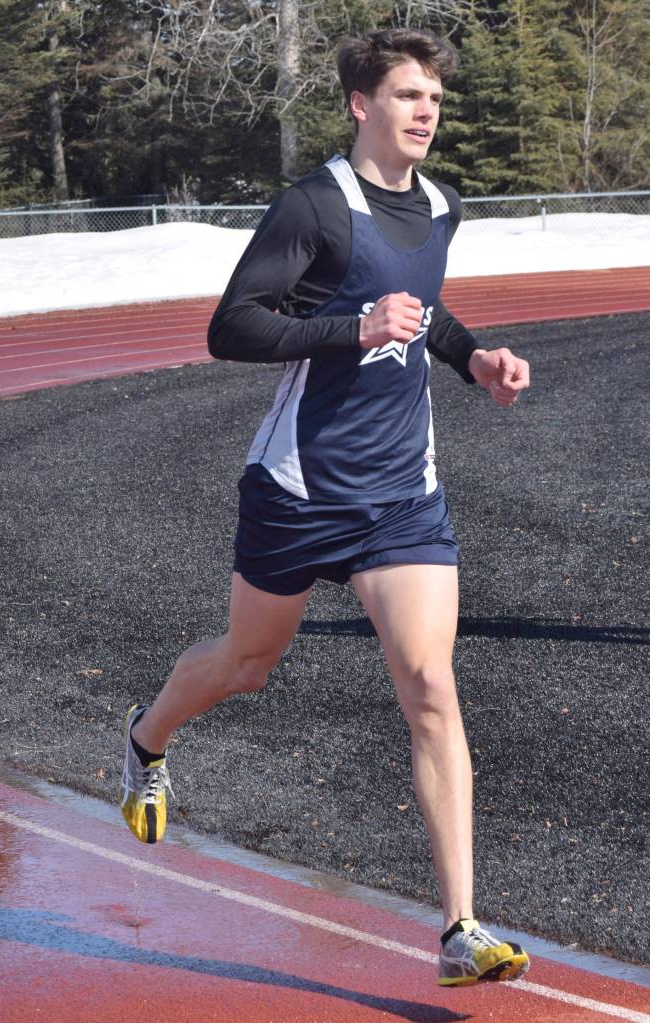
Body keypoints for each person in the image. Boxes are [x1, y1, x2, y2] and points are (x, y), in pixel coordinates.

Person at [119, 27, 532, 988]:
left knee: (430, 686)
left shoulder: (439, 205)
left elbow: (419, 304)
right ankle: (147, 736)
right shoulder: (312, 206)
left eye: (432, 95)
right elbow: (231, 328)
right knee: (246, 664)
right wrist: (350, 328)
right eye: (405, 95)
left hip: (401, 496)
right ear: (360, 105)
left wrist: (471, 358)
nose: (425, 110)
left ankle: (459, 929)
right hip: (299, 489)